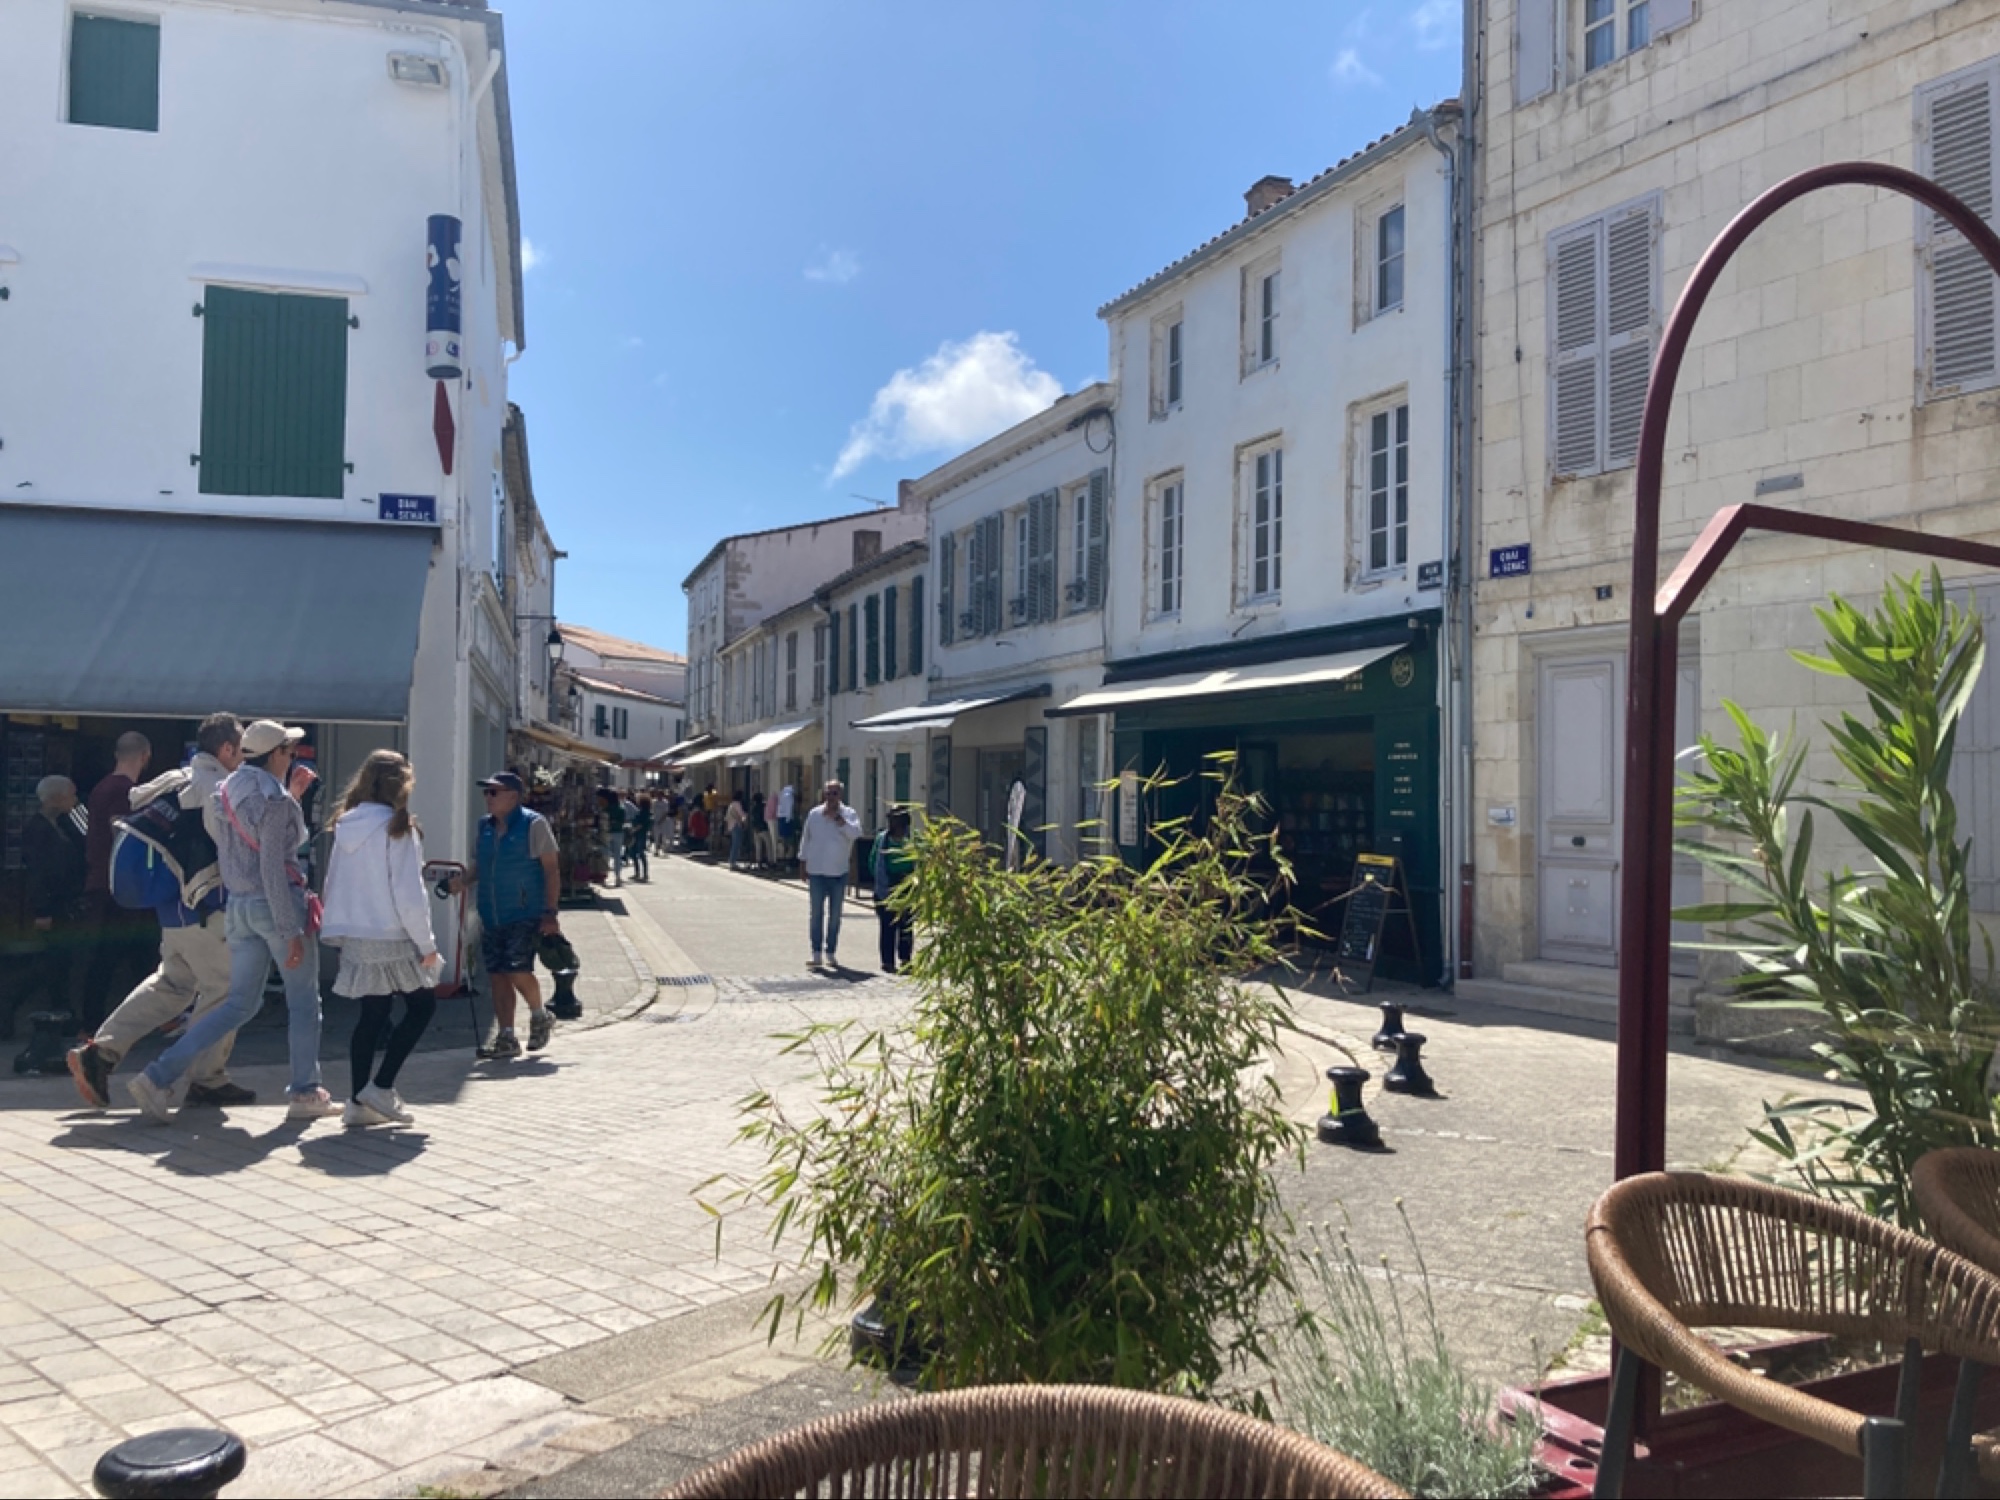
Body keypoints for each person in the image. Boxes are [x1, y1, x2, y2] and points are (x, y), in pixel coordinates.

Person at [127, 721, 334, 1123]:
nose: (292, 757)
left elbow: (246, 844)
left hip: (238, 907)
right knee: (304, 1003)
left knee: (238, 1004)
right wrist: (290, 929)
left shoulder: (226, 791)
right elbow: (272, 864)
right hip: (276, 906)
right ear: (274, 755)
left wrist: (292, 796)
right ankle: (306, 1091)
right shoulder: (274, 799)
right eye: (288, 751)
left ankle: (158, 1075)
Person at [68, 714, 253, 1110]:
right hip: (205, 908)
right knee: (227, 991)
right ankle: (203, 1077)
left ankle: (100, 1053)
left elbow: (136, 808)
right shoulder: (216, 788)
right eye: (242, 750)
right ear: (226, 749)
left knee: (173, 985)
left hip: (171, 908)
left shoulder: (175, 779)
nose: (244, 757)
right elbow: (229, 852)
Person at [321, 751, 439, 1128]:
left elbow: (334, 881)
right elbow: (409, 893)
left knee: (372, 1015)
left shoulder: (345, 824)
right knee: (422, 1007)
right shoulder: (397, 827)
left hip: (356, 932)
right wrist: (426, 944)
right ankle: (382, 1086)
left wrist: (337, 930)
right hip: (391, 932)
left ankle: (358, 1101)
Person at [449, 771, 561, 1061]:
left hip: (524, 912)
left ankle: (539, 1015)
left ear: (513, 796)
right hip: (491, 913)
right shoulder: (484, 826)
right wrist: (462, 881)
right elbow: (480, 866)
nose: (488, 797)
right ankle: (507, 1036)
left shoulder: (534, 824)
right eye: (486, 792)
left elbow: (551, 869)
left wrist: (550, 913)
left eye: (493, 792)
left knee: (516, 969)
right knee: (497, 975)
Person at [79, 731, 155, 1031]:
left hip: (102, 880)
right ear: (145, 756)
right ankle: (96, 1020)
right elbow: (122, 833)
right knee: (114, 955)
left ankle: (148, 1017)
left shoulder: (101, 787)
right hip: (120, 885)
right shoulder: (125, 790)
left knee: (125, 953)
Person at [21, 775, 89, 1026]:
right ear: (57, 797)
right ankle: (16, 1001)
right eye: (71, 795)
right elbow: (38, 873)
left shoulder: (62, 824)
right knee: (53, 961)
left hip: (65, 901)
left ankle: (62, 1011)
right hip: (52, 903)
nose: (75, 800)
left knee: (60, 960)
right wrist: (42, 910)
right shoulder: (37, 830)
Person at [798, 779, 862, 968]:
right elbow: (806, 839)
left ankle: (831, 951)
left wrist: (839, 820)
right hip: (816, 871)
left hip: (838, 872)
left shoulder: (849, 813)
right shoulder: (814, 814)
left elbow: (856, 833)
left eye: (834, 793)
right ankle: (816, 952)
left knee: (835, 916)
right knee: (816, 913)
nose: (830, 797)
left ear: (840, 795)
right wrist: (802, 863)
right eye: (827, 793)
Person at [871, 808, 917, 974]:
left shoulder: (912, 840)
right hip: (887, 886)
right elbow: (873, 862)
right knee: (887, 925)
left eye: (897, 820)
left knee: (906, 925)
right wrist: (881, 884)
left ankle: (905, 959)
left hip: (907, 885)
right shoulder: (882, 839)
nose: (893, 824)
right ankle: (887, 961)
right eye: (891, 820)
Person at [598, 788, 626, 887]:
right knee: (617, 855)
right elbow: (623, 821)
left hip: (607, 833)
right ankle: (617, 876)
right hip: (618, 832)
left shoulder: (605, 809)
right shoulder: (621, 809)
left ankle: (603, 875)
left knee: (606, 855)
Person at [628, 793, 652, 882]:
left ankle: (644, 874)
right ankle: (637, 873)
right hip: (638, 834)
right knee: (633, 852)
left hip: (640, 834)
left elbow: (642, 824)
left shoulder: (644, 813)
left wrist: (633, 830)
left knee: (640, 853)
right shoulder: (641, 811)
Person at [774, 781, 798, 871]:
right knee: (789, 842)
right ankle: (788, 862)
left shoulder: (782, 794)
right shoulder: (789, 796)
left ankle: (781, 861)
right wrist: (789, 819)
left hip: (780, 819)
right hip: (787, 820)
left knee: (782, 841)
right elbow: (789, 808)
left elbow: (779, 807)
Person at [725, 790, 749, 870]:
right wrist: (745, 819)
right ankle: (732, 861)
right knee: (736, 844)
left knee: (734, 843)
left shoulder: (731, 804)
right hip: (736, 825)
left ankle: (732, 860)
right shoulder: (737, 804)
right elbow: (741, 814)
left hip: (731, 825)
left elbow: (727, 817)